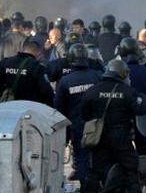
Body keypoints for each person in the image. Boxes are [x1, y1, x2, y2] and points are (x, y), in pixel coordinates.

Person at [81, 59, 146, 193]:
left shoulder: (93, 90)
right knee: (131, 170)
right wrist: (144, 98)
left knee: (97, 171)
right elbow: (141, 109)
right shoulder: (128, 91)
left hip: (99, 137)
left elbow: (84, 114)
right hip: (121, 137)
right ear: (123, 74)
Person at [55, 44, 102, 185]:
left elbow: (59, 108)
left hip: (77, 126)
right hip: (98, 126)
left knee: (81, 157)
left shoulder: (65, 81)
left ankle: (85, 186)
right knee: (99, 156)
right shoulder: (97, 76)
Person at [120, 37, 146, 191]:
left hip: (123, 120)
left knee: (124, 154)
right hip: (144, 120)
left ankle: (129, 185)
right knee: (145, 153)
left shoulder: (118, 71)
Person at [0, 38, 54, 105]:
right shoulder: (37, 67)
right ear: (38, 52)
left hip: (8, 105)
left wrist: (5, 93)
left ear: (23, 50)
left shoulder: (5, 62)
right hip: (28, 107)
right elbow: (46, 92)